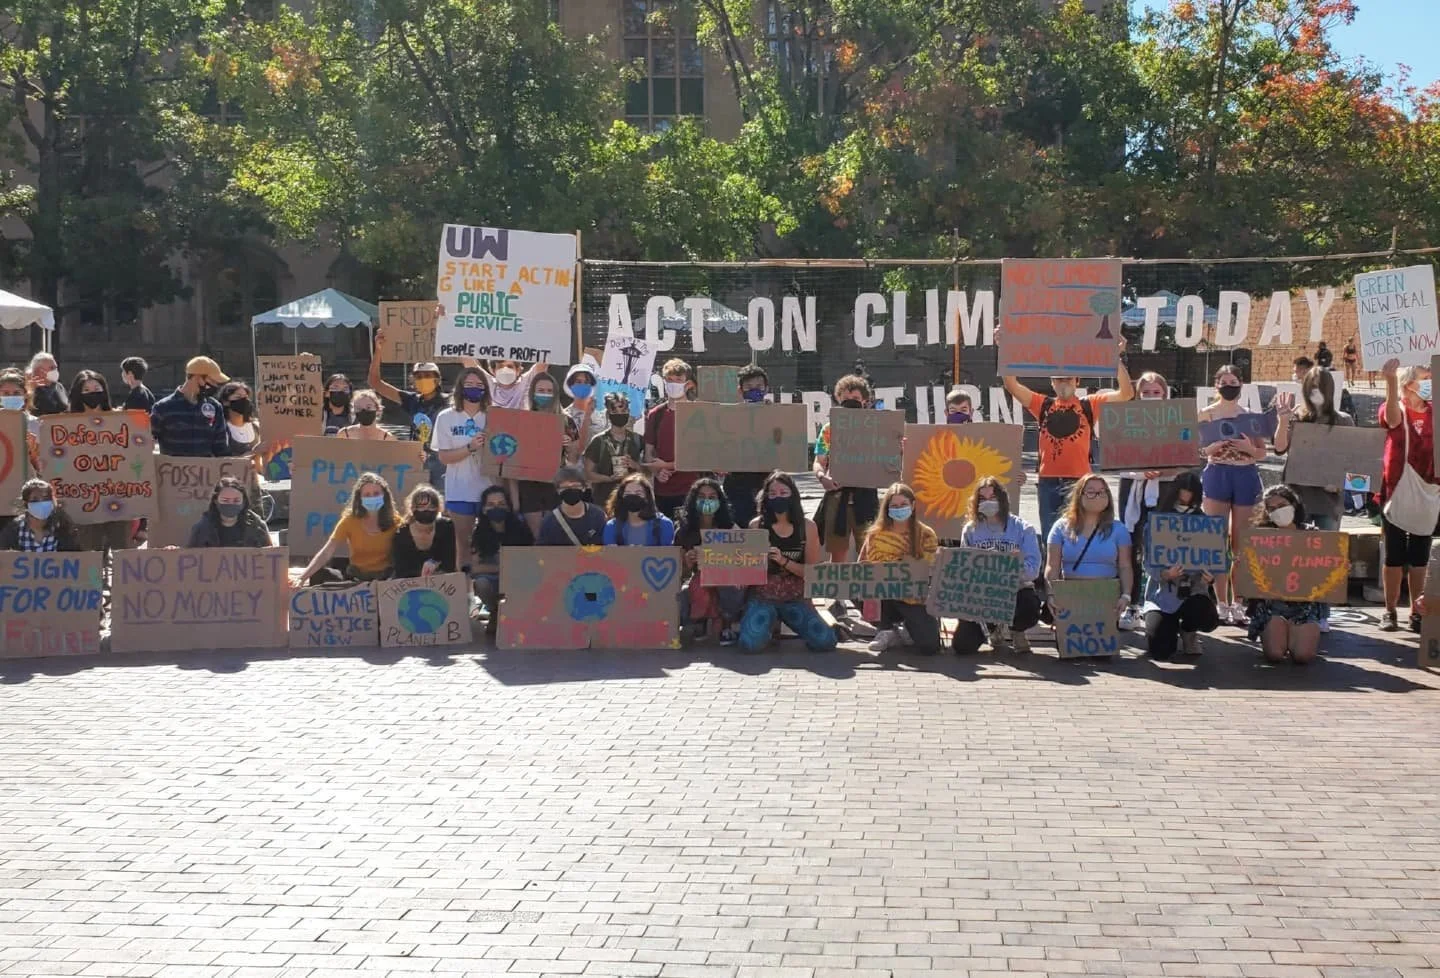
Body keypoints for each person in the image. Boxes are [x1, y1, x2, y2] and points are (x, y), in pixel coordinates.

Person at [1002, 335, 1134, 536]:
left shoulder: (1090, 404)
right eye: (1058, 377)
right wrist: (1005, 346)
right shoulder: (1042, 404)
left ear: (1077, 381)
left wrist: (1114, 357)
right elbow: (1011, 384)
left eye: (1068, 377)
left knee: (1079, 535)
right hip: (1048, 483)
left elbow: (1126, 393)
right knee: (1050, 536)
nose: (1063, 380)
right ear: (1052, 382)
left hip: (1080, 482)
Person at [737, 471, 837, 653]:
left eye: (783, 493)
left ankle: (788, 624)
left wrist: (783, 561)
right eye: (772, 494)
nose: (778, 498)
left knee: (825, 641)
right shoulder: (756, 525)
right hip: (764, 597)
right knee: (749, 644)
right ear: (765, 498)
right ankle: (770, 626)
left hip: (795, 598)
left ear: (793, 495)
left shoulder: (807, 527)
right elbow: (748, 567)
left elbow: (811, 573)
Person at [1198, 364, 1266, 625]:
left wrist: (1248, 447)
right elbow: (1195, 449)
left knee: (1242, 543)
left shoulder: (1249, 415)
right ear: (1216, 385)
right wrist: (1211, 447)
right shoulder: (1206, 414)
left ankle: (1238, 602)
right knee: (1217, 540)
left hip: (1245, 475)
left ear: (1241, 384)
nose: (1229, 385)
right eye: (1224, 380)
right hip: (1217, 473)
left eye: (1233, 380)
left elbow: (1262, 453)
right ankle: (1221, 602)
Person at [953, 477, 1044, 655]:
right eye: (983, 499)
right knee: (962, 645)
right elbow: (965, 568)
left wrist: (1012, 567)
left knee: (1029, 607)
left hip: (1015, 591)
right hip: (983, 596)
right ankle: (993, 628)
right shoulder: (971, 530)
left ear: (1002, 499)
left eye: (992, 498)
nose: (988, 502)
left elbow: (1033, 569)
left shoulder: (1023, 529)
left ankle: (1017, 630)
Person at [1377, 357, 1435, 632]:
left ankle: (1417, 611)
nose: (1430, 383)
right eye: (1425, 378)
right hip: (1397, 488)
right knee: (1395, 554)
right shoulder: (1396, 407)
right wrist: (1390, 382)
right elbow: (1391, 420)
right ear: (1409, 383)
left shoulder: (1435, 412)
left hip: (1429, 489)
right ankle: (1389, 611)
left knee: (1420, 555)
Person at [1046, 475, 1134, 652]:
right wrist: (1051, 594)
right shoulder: (1061, 527)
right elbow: (1052, 566)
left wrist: (1126, 595)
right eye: (1091, 492)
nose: (1098, 496)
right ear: (1080, 496)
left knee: (1101, 654)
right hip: (1071, 597)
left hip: (1104, 599)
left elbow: (1125, 566)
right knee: (1072, 651)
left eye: (1102, 492)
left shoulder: (1119, 529)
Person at [1141, 472, 1219, 660]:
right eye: (1182, 493)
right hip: (1163, 595)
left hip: (1194, 592)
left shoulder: (1206, 524)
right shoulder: (1157, 522)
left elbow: (1215, 558)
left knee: (1203, 613)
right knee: (1160, 651)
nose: (1185, 499)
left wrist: (1211, 577)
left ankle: (1189, 631)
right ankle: (1165, 628)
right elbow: (1148, 561)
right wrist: (1164, 573)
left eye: (1191, 494)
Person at [1116, 371, 1172, 629]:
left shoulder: (1174, 422)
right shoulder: (1125, 421)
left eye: (1156, 392)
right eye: (1145, 393)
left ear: (1165, 394)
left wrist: (1163, 471)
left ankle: (1160, 604)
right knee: (1132, 547)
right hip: (1133, 490)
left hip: (1164, 490)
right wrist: (1139, 471)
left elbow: (1185, 460)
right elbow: (1114, 455)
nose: (1151, 397)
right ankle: (1133, 605)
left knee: (1161, 548)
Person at [1244, 485, 1324, 665]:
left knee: (1303, 656)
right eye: (1271, 508)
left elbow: (1326, 569)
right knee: (1275, 655)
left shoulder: (1313, 535)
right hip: (1271, 605)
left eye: (1282, 505)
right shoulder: (1260, 537)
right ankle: (1278, 629)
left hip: (1305, 606)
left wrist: (1340, 567)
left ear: (1293, 505)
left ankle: (1296, 629)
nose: (1277, 511)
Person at [861, 483, 942, 654]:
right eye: (894, 506)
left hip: (914, 597)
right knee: (855, 584)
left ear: (913, 505)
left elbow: (929, 569)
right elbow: (864, 565)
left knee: (930, 646)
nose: (899, 509)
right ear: (887, 508)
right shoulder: (875, 534)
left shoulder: (926, 534)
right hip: (883, 594)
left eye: (903, 505)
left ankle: (907, 627)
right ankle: (886, 629)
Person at [65, 370, 140, 553]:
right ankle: (93, 581)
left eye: (97, 389)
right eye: (87, 390)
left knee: (123, 548)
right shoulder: (65, 424)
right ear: (78, 394)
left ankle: (123, 582)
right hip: (84, 499)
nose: (92, 394)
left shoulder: (121, 421)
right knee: (90, 550)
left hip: (117, 495)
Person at [1273, 367, 1354, 531]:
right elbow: (1280, 448)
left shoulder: (1343, 420)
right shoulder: (1295, 416)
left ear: (1329, 389)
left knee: (1325, 551)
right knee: (1295, 549)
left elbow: (1353, 460)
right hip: (1296, 498)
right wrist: (1283, 422)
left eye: (1319, 386)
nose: (1315, 391)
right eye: (1311, 386)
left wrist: (1339, 482)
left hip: (1328, 502)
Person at [814, 375, 881, 565]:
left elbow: (888, 460)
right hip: (837, 496)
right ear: (838, 401)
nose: (850, 404)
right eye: (845, 400)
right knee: (837, 550)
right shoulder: (829, 429)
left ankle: (865, 593)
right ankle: (839, 592)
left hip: (866, 496)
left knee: (869, 549)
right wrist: (821, 477)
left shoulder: (876, 428)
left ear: (865, 401)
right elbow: (819, 460)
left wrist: (899, 448)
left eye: (856, 399)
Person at [430, 366, 492, 572]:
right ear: (460, 388)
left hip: (489, 491)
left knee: (487, 546)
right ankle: (464, 592)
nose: (474, 389)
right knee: (462, 544)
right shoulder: (446, 417)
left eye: (479, 385)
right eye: (469, 385)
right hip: (460, 490)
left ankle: (484, 589)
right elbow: (444, 457)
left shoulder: (494, 415)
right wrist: (470, 448)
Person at [368, 334, 451, 486]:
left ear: (437, 379)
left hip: (442, 463)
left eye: (427, 375)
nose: (422, 379)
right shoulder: (412, 400)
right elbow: (375, 383)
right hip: (416, 459)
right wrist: (378, 351)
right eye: (418, 376)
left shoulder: (449, 401)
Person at [675, 477, 745, 645]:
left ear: (720, 501)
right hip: (699, 582)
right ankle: (700, 622)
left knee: (726, 584)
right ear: (693, 500)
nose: (707, 501)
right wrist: (687, 563)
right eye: (701, 497)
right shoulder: (683, 532)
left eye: (712, 497)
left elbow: (745, 561)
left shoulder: (731, 529)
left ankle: (727, 622)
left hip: (727, 582)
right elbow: (679, 573)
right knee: (686, 592)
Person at [298, 473, 399, 584]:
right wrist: (302, 578)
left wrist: (420, 458)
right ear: (359, 498)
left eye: (376, 493)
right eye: (367, 495)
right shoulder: (349, 521)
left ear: (384, 495)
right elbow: (327, 551)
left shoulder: (397, 521)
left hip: (387, 579)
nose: (372, 497)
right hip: (356, 578)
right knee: (319, 574)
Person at [517, 372, 581, 535]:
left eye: (548, 391)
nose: (544, 394)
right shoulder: (521, 420)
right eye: (540, 390)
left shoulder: (566, 421)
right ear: (532, 393)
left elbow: (573, 460)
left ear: (555, 394)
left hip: (556, 485)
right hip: (529, 485)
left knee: (557, 533)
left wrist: (567, 445)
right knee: (538, 536)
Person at [644, 357, 702, 519]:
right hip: (662, 492)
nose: (673, 383)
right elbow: (649, 452)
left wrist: (667, 465)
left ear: (688, 384)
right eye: (669, 380)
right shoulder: (655, 414)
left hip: (692, 489)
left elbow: (701, 455)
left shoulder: (698, 413)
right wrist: (657, 471)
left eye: (678, 380)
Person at [471, 485, 533, 633]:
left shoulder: (521, 529)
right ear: (484, 509)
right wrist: (502, 567)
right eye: (491, 505)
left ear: (508, 507)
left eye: (501, 504)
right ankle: (495, 613)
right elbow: (474, 567)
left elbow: (531, 560)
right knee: (481, 583)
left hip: (518, 579)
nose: (496, 508)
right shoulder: (478, 533)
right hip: (493, 579)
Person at [722, 364, 772, 529]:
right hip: (737, 483)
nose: (754, 390)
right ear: (740, 390)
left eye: (758, 386)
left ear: (766, 389)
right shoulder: (728, 416)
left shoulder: (777, 415)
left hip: (766, 480)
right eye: (749, 387)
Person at [150, 356, 230, 457]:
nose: (215, 385)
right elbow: (146, 441)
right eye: (212, 381)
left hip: (206, 471)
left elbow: (221, 448)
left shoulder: (215, 407)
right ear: (198, 377)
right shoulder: (163, 407)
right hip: (173, 471)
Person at [583, 392, 645, 512]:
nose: (620, 415)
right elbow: (588, 474)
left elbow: (649, 472)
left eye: (623, 411)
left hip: (633, 502)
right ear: (608, 414)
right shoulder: (598, 441)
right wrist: (609, 478)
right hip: (604, 502)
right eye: (615, 412)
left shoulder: (637, 440)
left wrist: (635, 465)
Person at [392, 484, 458, 579]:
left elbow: (450, 562)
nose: (426, 510)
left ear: (438, 508)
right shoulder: (401, 534)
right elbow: (401, 569)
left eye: (431, 506)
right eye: (421, 507)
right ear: (412, 508)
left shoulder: (447, 527)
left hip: (442, 581)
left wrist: (435, 563)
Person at [185, 476, 272, 548]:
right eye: (225, 500)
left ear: (243, 502)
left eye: (236, 500)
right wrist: (175, 552)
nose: (231, 504)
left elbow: (270, 556)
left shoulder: (257, 527)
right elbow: (191, 557)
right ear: (216, 501)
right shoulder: (202, 528)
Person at [0, 479, 80, 551]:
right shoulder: (14, 530)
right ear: (26, 504)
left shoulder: (63, 528)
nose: (41, 503)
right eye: (35, 499)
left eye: (46, 499)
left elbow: (75, 557)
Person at [536, 466, 607, 546]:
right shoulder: (549, 521)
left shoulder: (598, 515)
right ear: (558, 491)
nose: (571, 490)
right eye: (565, 487)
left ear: (584, 488)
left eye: (575, 486)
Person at [603, 472, 677, 546]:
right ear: (621, 498)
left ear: (647, 497)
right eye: (627, 494)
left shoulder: (664, 524)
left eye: (638, 493)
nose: (632, 497)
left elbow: (668, 554)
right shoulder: (612, 527)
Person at [0, 368, 40, 473]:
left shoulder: (35, 424)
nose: (11, 397)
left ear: (25, 394)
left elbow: (44, 468)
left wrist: (33, 449)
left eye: (16, 393)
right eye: (6, 393)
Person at [479, 358, 547, 410]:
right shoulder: (489, 384)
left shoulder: (525, 383)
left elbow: (544, 359)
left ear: (518, 370)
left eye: (509, 366)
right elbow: (469, 362)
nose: (505, 369)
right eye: (500, 366)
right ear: (493, 371)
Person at [216, 381, 260, 456]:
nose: (244, 401)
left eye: (246, 397)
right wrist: (254, 453)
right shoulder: (221, 429)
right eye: (238, 397)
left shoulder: (256, 426)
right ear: (226, 402)